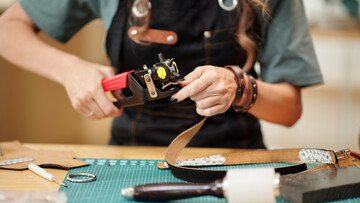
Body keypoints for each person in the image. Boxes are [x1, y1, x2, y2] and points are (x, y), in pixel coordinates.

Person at [0, 0, 323, 148]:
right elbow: (7, 29)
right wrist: (69, 69)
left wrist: (239, 86)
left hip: (234, 159)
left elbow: (289, 110)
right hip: (129, 157)